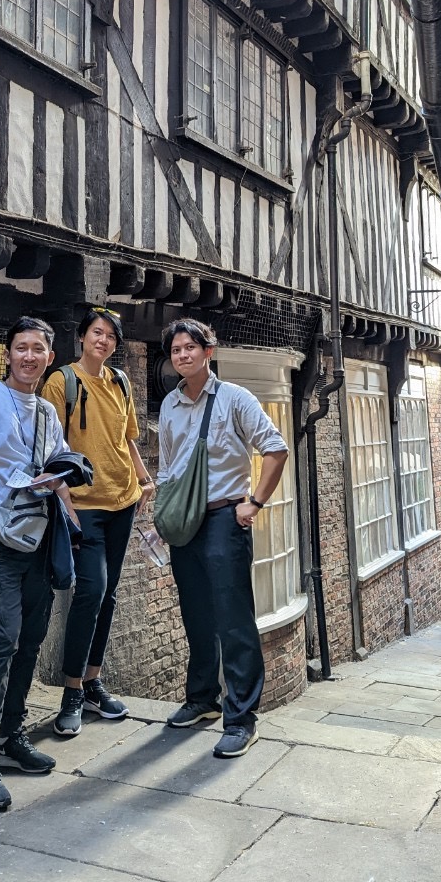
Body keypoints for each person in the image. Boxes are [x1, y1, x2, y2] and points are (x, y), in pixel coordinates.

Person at [0, 317, 79, 811]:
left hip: (40, 533)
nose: (29, 357)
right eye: (21, 348)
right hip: (0, 538)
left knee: (30, 639)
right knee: (1, 640)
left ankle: (12, 735)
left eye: (38, 349)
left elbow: (54, 467)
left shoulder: (50, 411)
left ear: (49, 358)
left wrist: (66, 488)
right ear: (7, 353)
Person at [158, 318, 288, 759]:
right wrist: (163, 510)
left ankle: (242, 718)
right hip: (184, 523)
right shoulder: (171, 404)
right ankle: (201, 700)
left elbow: (275, 448)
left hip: (224, 518)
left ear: (208, 351)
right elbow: (169, 464)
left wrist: (254, 502)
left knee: (233, 619)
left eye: (190, 348)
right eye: (176, 350)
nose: (182, 356)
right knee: (195, 614)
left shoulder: (235, 398)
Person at [42, 307, 155, 737]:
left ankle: (93, 681)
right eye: (96, 333)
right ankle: (71, 691)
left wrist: (145, 480)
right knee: (90, 591)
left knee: (108, 595)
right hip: (84, 505)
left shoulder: (120, 381)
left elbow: (125, 441)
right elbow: (53, 450)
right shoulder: (62, 382)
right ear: (83, 337)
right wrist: (66, 503)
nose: (103, 341)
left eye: (110, 336)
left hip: (122, 502)